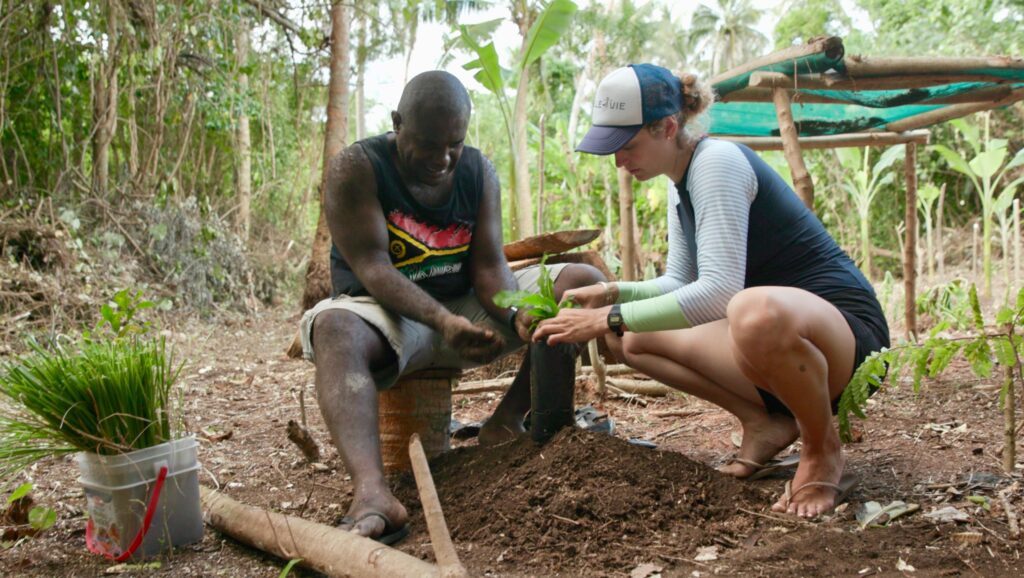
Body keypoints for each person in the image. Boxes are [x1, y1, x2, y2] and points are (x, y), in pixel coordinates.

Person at [533, 64, 889, 518]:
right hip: (776, 350)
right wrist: (610, 293)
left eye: (627, 145)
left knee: (749, 309)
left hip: (846, 341)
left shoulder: (717, 163)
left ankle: (822, 449)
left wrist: (606, 315)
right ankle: (765, 423)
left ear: (667, 127)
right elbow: (681, 284)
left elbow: (719, 293)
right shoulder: (679, 183)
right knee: (631, 337)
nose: (619, 160)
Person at [298, 71, 604, 543]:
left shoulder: (478, 172)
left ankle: (509, 421)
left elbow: (487, 267)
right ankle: (372, 493)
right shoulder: (356, 168)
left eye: (454, 144)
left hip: (464, 305)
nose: (442, 159)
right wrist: (442, 320)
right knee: (334, 328)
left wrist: (513, 311)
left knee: (582, 283)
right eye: (426, 144)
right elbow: (374, 269)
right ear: (397, 123)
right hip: (386, 314)